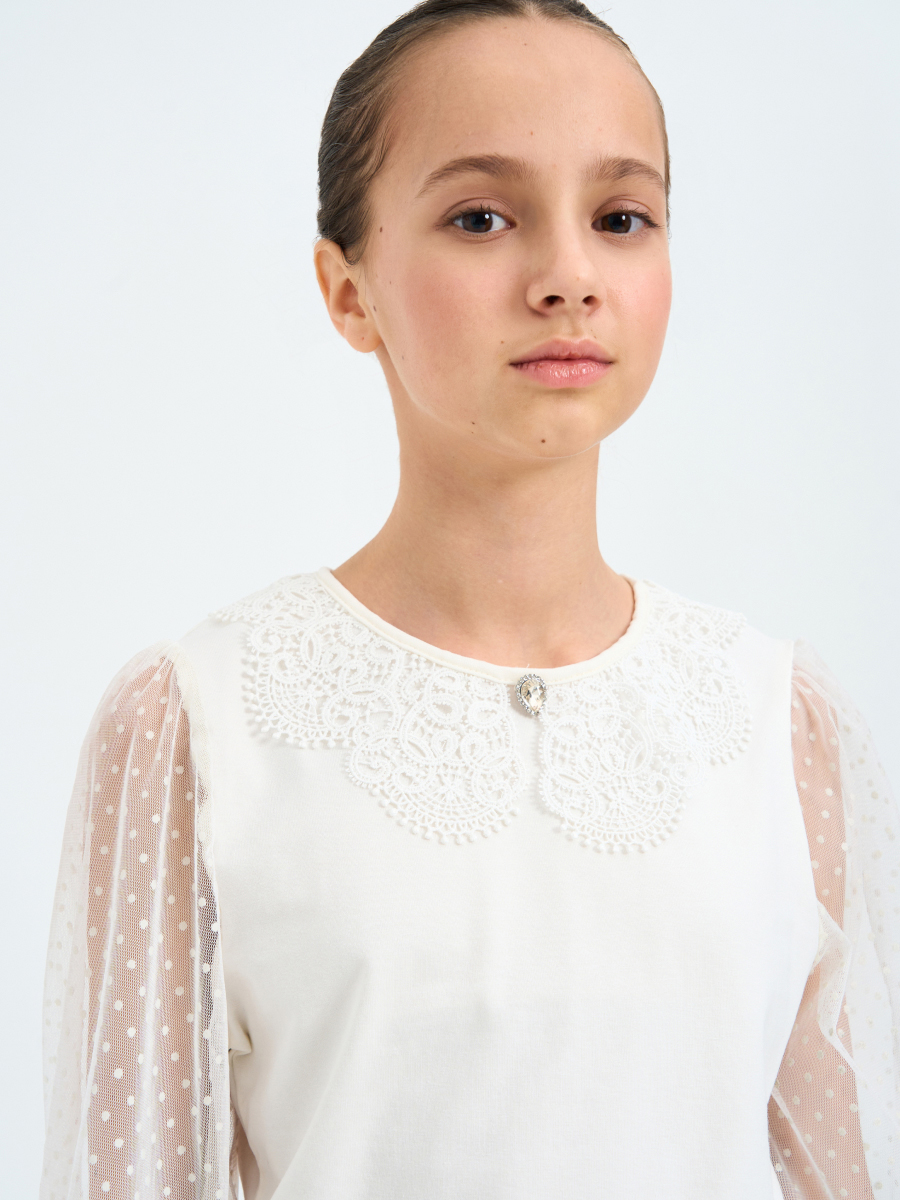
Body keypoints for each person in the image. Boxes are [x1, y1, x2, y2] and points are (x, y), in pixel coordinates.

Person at [40, 2, 898, 1197]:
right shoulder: (200, 727)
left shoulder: (775, 724)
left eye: (621, 218)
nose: (568, 277)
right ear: (348, 290)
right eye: (481, 217)